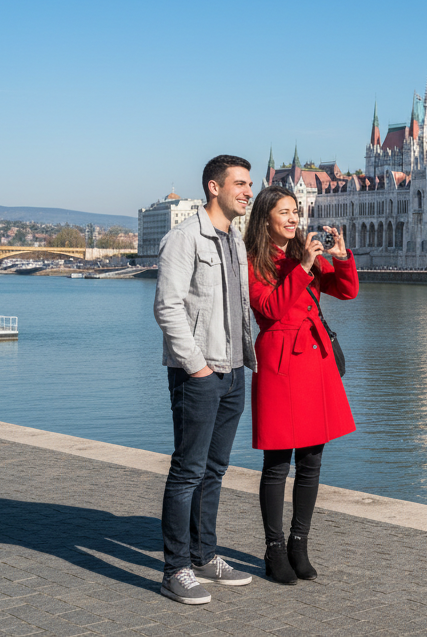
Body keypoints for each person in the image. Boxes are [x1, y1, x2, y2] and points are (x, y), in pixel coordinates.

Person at [154, 155, 256, 604]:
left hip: (234, 372)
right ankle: (174, 568)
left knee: (215, 470)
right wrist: (195, 365)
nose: (247, 191)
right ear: (214, 187)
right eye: (239, 183)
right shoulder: (184, 237)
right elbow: (168, 307)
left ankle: (204, 554)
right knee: (188, 470)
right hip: (199, 373)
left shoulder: (233, 240)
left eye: (249, 184)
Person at [243, 186, 357, 584]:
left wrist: (340, 258)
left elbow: (346, 290)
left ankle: (299, 543)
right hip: (278, 364)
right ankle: (273, 549)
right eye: (284, 212)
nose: (293, 219)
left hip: (313, 361)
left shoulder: (299, 254)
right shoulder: (253, 260)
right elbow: (271, 309)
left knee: (311, 461)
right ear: (265, 219)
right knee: (277, 463)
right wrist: (304, 267)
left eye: (295, 211)